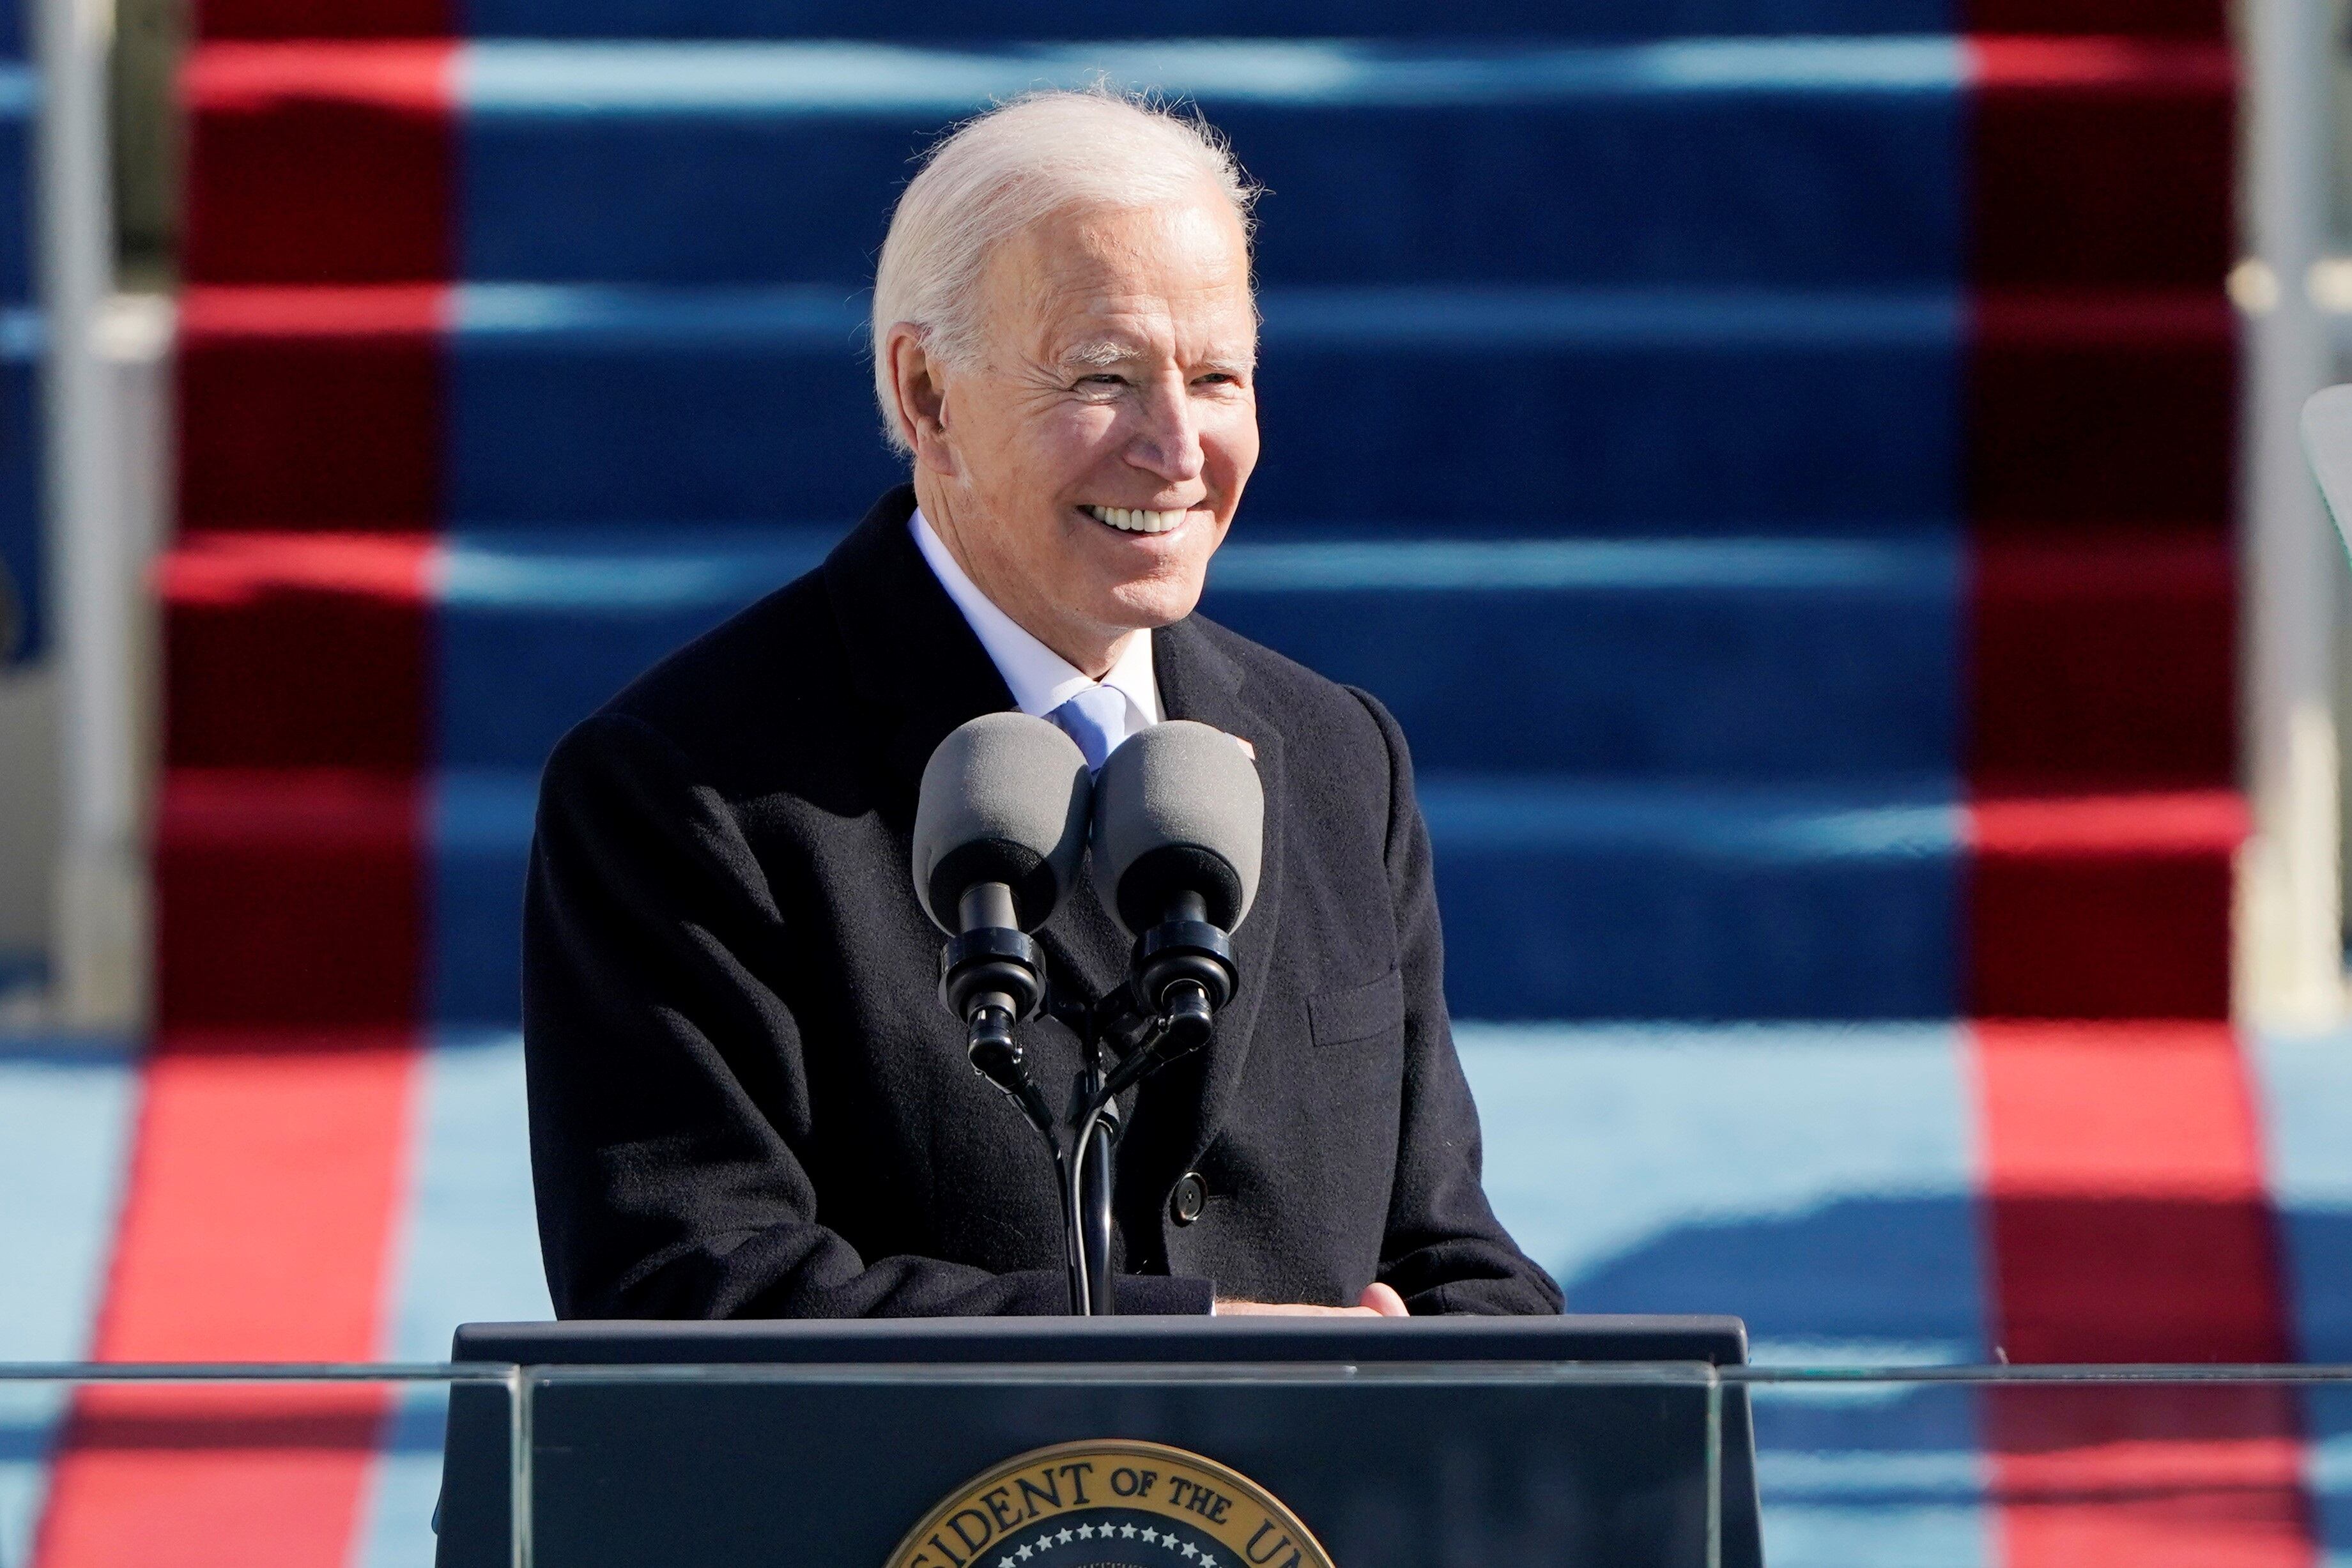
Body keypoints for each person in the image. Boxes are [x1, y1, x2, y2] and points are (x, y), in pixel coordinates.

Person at [524, 88, 1562, 1319]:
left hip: (1307, 1519)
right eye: (1104, 376)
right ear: (926, 397)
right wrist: (1201, 1345)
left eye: (1218, 375)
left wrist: (1443, 1366)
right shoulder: (683, 788)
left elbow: (1455, 1258)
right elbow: (697, 1292)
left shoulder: (1337, 756)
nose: (1176, 448)